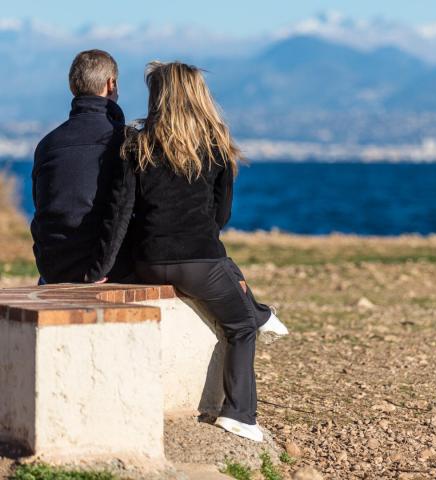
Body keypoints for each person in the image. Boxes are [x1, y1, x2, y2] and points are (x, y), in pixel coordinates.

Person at [84, 61, 288, 442]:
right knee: (240, 327)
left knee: (226, 270)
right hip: (200, 262)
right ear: (198, 96)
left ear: (158, 98)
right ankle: (240, 414)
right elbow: (220, 214)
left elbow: (120, 215)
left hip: (148, 262)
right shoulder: (216, 146)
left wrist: (102, 267)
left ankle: (262, 313)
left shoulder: (135, 144)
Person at [31, 49, 133, 284]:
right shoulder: (124, 141)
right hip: (105, 269)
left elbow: (42, 209)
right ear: (111, 84)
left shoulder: (47, 145)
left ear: (73, 87)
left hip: (52, 269)